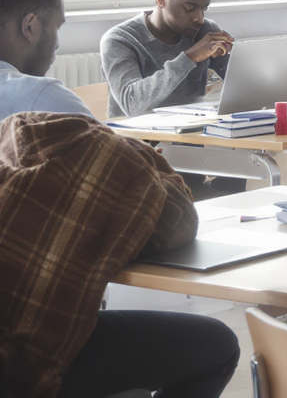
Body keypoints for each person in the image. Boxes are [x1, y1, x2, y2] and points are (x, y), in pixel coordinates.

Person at [0, 110, 239, 398]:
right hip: (18, 361)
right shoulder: (113, 162)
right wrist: (157, 169)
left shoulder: (8, 134)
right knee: (219, 346)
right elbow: (176, 225)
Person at [101, 0, 234, 117]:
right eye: (189, 8)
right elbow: (132, 104)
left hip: (190, 136)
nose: (198, 18)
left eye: (203, 8)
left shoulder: (205, 30)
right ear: (161, 0)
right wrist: (189, 58)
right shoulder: (120, 40)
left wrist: (231, 59)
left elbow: (244, 90)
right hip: (137, 139)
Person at [0, 0, 90, 118]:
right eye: (56, 26)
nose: (56, 44)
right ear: (30, 27)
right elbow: (103, 143)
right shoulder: (44, 99)